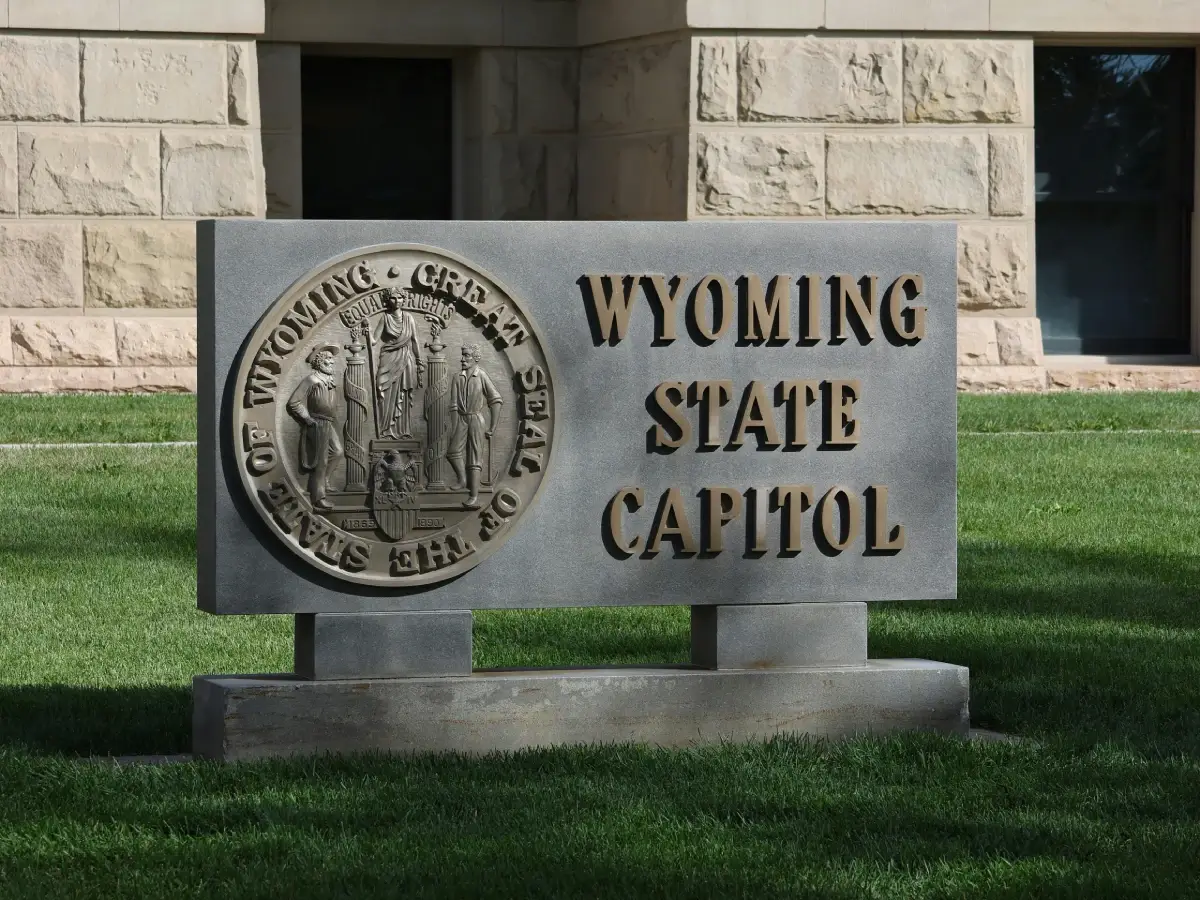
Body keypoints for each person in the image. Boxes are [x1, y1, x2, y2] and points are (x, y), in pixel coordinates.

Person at [287, 344, 343, 511]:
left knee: (338, 451)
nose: (332, 362)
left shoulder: (330, 381)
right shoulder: (312, 380)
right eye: (328, 359)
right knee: (321, 460)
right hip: (317, 423)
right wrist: (306, 418)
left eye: (332, 359)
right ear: (319, 362)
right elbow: (294, 402)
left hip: (329, 423)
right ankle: (318, 498)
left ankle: (324, 481)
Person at [447, 344, 503, 509]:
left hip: (476, 419)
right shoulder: (457, 377)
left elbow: (496, 400)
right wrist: (455, 424)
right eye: (462, 355)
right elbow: (454, 405)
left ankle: (473, 495)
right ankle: (462, 479)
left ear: (476, 358)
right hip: (462, 419)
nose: (462, 359)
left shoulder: (481, 376)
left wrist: (493, 426)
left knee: (474, 458)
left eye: (466, 356)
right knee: (453, 452)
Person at [375, 289, 424, 439]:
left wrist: (419, 361)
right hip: (389, 357)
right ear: (388, 300)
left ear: (404, 299)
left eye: (400, 298)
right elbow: (374, 339)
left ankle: (403, 430)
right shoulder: (385, 317)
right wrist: (366, 331)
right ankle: (386, 429)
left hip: (405, 358)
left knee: (403, 392)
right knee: (387, 392)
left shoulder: (409, 318)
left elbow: (414, 340)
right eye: (393, 298)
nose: (397, 301)